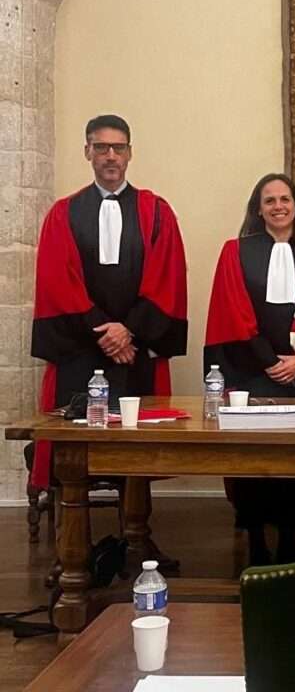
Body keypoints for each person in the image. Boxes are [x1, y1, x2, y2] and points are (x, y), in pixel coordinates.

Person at [29, 115, 188, 492]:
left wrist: (128, 330)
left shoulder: (156, 211)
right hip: (81, 346)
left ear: (130, 153)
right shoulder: (64, 213)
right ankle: (73, 522)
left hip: (135, 349)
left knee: (136, 452)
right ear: (87, 152)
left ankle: (135, 523)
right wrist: (105, 333)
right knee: (75, 455)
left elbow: (167, 277)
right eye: (101, 147)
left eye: (118, 147)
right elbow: (58, 279)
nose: (111, 156)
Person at [203, 174, 295, 565]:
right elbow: (234, 312)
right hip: (253, 373)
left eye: (285, 199)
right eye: (269, 200)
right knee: (253, 461)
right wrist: (269, 362)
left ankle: (289, 537)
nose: (278, 206)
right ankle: (255, 538)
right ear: (258, 208)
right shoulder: (236, 251)